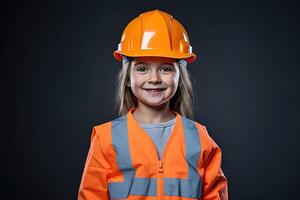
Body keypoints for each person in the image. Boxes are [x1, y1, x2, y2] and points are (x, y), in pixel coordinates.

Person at [78, 9, 228, 200]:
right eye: (142, 69)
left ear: (180, 77)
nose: (154, 78)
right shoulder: (106, 138)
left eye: (165, 68)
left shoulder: (200, 139)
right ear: (128, 78)